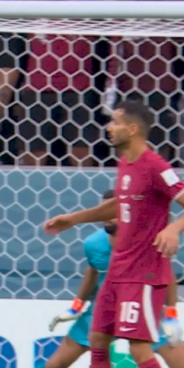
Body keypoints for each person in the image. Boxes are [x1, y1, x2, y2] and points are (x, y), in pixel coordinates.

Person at [44, 100, 184, 368]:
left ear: (132, 129)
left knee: (139, 347)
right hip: (119, 269)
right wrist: (73, 219)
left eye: (115, 122)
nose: (109, 127)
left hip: (142, 272)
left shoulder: (156, 167)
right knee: (98, 338)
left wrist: (173, 228)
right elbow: (120, 203)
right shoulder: (125, 164)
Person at [45, 191, 184, 368]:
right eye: (104, 211)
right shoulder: (93, 243)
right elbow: (94, 270)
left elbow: (167, 275)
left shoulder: (148, 241)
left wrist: (171, 315)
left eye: (112, 212)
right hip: (103, 308)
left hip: (141, 306)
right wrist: (76, 307)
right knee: (55, 364)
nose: (107, 218)